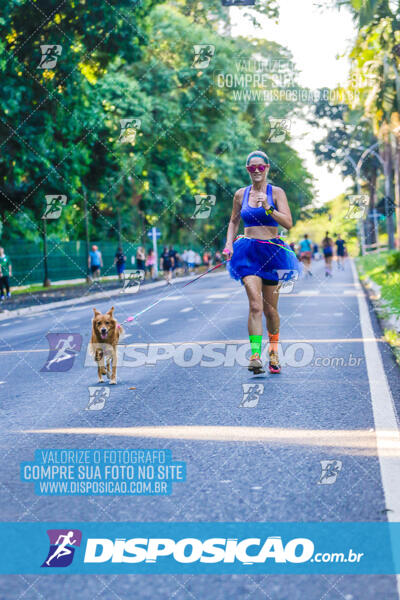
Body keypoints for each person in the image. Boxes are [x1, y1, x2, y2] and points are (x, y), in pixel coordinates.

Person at [223, 150, 301, 374]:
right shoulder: (240, 194)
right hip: (247, 253)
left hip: (273, 254)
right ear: (247, 170)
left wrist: (269, 207)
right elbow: (233, 221)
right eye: (251, 168)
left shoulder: (276, 192)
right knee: (255, 305)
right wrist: (229, 244)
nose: (256, 171)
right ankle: (255, 356)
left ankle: (274, 352)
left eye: (260, 167)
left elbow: (288, 223)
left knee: (270, 310)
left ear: (267, 168)